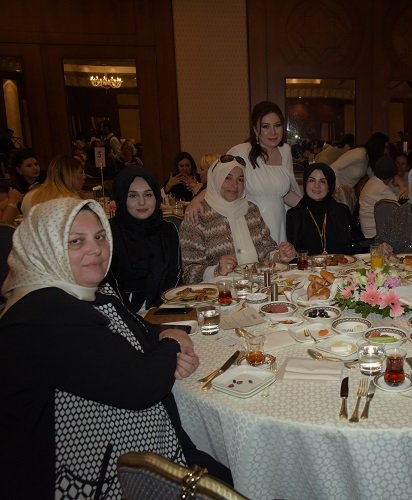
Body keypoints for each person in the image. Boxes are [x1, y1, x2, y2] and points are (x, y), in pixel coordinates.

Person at [0, 198, 231, 499]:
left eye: (99, 236)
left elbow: (137, 330)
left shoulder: (88, 294)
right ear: (43, 248)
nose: (95, 249)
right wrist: (172, 344)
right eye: (76, 241)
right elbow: (140, 385)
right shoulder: (44, 315)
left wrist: (164, 334)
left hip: (138, 454)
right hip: (96, 480)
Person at [187, 102, 302, 244]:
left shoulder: (285, 151)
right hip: (249, 224)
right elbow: (219, 182)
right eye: (265, 126)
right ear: (255, 130)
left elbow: (284, 192)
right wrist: (196, 200)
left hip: (279, 223)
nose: (273, 132)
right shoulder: (240, 151)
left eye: (277, 125)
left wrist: (312, 207)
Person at [179, 156, 296, 283]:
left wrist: (279, 256)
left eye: (240, 180)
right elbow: (188, 273)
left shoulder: (251, 210)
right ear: (216, 178)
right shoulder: (197, 215)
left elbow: (267, 248)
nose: (234, 185)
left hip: (256, 287)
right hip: (220, 291)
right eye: (227, 177)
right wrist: (215, 271)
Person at [109, 167, 181, 312]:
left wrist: (159, 311)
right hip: (120, 313)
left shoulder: (167, 230)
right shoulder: (109, 232)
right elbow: (108, 285)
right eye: (132, 195)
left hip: (165, 310)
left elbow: (175, 277)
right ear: (122, 198)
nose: (142, 202)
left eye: (148, 194)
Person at [286, 163, 356, 255]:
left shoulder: (342, 211)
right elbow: (294, 255)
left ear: (329, 186)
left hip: (342, 263)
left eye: (322, 181)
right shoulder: (294, 215)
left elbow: (353, 247)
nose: (317, 186)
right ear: (305, 183)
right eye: (312, 180)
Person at [330, 132, 389, 210]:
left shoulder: (368, 158)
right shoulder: (360, 153)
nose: (386, 151)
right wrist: (339, 189)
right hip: (337, 192)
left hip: (348, 191)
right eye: (385, 147)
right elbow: (333, 167)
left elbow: (373, 178)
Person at [358, 156, 406, 239]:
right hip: (373, 234)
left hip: (366, 230)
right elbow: (398, 205)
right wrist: (402, 184)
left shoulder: (373, 181)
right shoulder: (380, 188)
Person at [21, 154, 86, 214]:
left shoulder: (29, 195)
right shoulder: (73, 201)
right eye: (81, 172)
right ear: (69, 175)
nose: (84, 177)